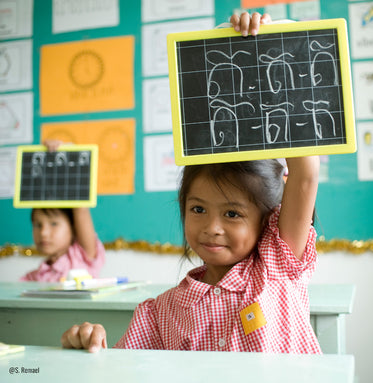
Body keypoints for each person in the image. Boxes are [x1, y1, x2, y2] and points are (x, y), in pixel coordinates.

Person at [60, 13, 321, 354]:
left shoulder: (275, 266)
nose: (211, 227)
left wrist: (269, 44)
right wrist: (89, 345)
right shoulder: (160, 313)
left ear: (269, 218)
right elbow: (125, 371)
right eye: (198, 209)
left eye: (232, 214)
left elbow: (305, 176)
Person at [20, 140, 105, 282]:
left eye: (54, 224)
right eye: (38, 225)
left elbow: (81, 207)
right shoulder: (32, 277)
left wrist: (70, 156)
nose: (43, 233)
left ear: (74, 228)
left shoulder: (83, 257)